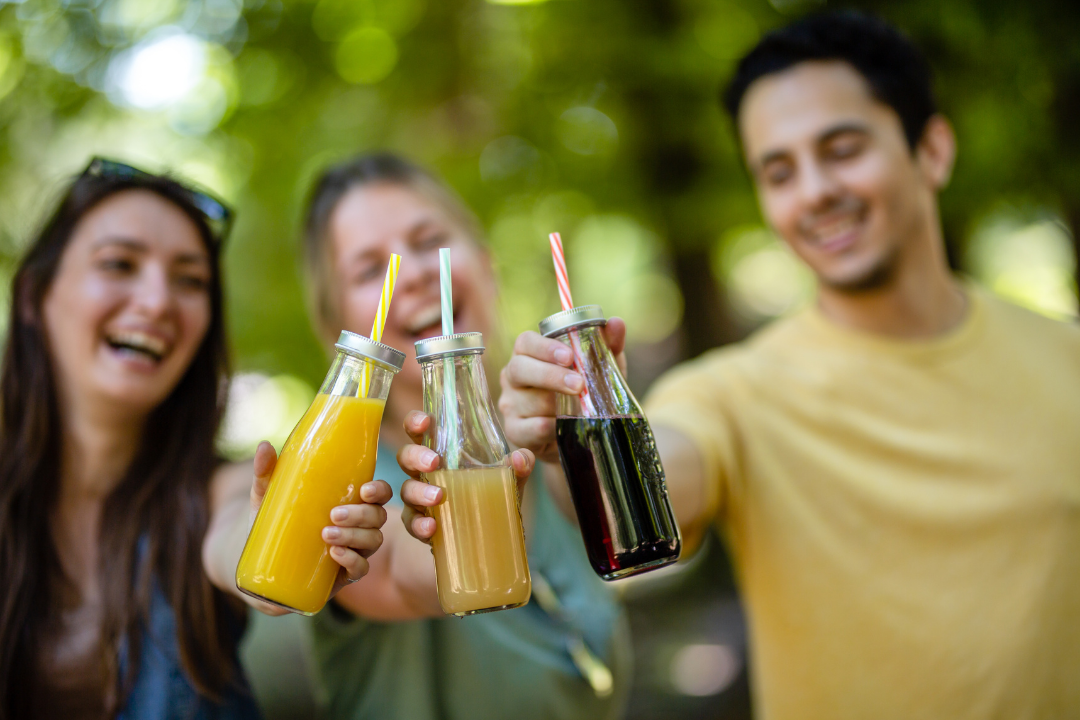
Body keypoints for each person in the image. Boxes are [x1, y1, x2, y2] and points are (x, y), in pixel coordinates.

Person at [498, 11, 1080, 720]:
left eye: (842, 149)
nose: (812, 192)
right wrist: (566, 446)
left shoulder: (1066, 358)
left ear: (931, 149)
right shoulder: (733, 393)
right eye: (778, 171)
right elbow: (664, 489)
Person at [242, 152, 631, 720]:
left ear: (487, 265)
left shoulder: (560, 436)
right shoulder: (345, 487)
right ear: (337, 328)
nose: (416, 271)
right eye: (370, 268)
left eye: (430, 242)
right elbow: (416, 574)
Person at [0, 157, 391, 719]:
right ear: (37, 295)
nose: (158, 301)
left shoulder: (219, 488)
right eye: (118, 263)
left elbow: (236, 536)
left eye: (190, 280)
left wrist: (275, 543)